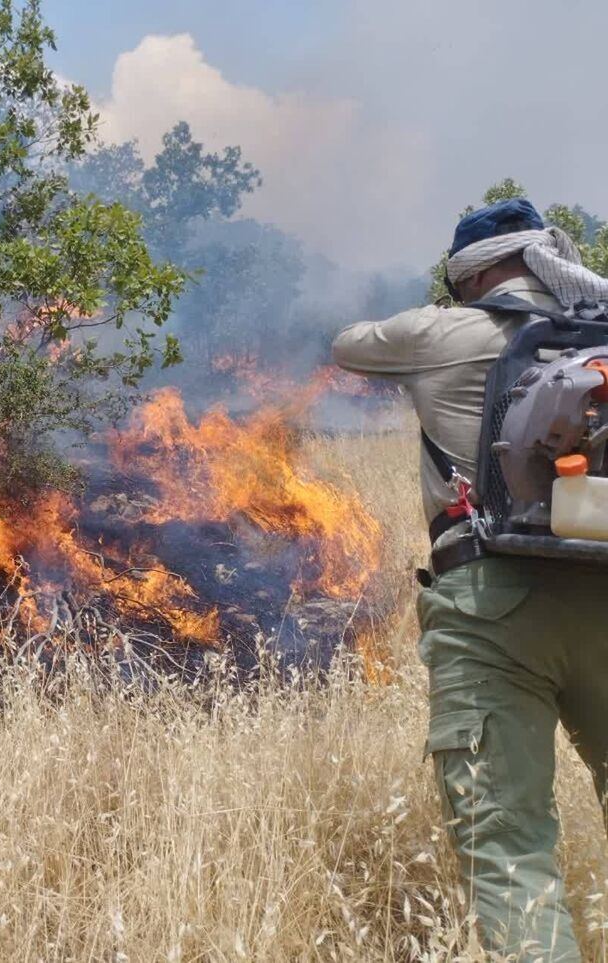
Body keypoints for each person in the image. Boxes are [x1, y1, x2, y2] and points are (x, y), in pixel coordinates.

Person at [333, 198, 608, 962]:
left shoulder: (442, 330)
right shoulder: (601, 327)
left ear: (472, 274)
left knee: (511, 847)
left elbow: (346, 344)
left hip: (491, 606)